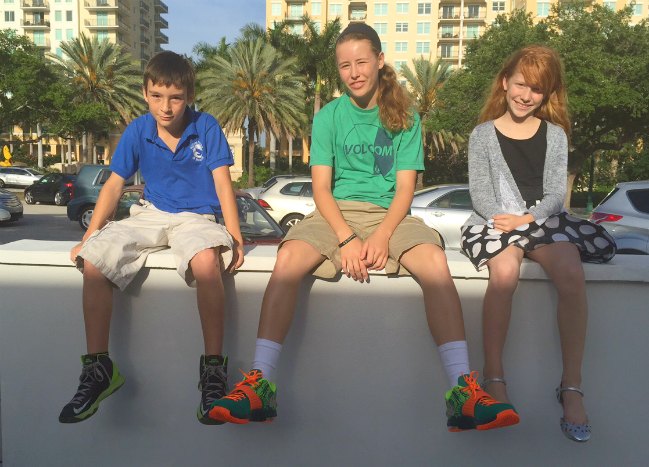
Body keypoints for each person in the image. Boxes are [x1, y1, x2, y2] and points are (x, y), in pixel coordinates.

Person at [208, 23, 519, 432]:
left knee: (435, 265)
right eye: (344, 65)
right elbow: (321, 189)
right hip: (335, 214)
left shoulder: (405, 116)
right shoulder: (328, 117)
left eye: (361, 62)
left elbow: (405, 189)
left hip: (390, 215)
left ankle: (463, 391)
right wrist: (347, 238)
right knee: (287, 261)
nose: (354, 72)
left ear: (379, 61)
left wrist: (382, 235)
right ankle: (260, 384)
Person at [58, 51, 244, 425]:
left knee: (207, 263)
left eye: (175, 97)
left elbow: (224, 184)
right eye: (157, 96)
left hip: (197, 217)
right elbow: (114, 185)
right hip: (150, 213)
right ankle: (99, 369)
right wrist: (90, 235)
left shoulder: (206, 127)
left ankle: (213, 373)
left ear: (189, 96)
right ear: (145, 93)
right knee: (93, 261)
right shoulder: (138, 130)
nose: (166, 107)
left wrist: (235, 237)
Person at [460, 45, 616, 442]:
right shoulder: (482, 135)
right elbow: (480, 194)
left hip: (541, 221)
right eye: (520, 84)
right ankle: (494, 379)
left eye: (536, 89)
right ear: (504, 82)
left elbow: (554, 195)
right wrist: (506, 221)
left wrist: (526, 220)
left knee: (570, 271)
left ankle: (571, 386)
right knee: (504, 272)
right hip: (495, 221)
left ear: (547, 94)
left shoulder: (555, 135)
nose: (526, 95)